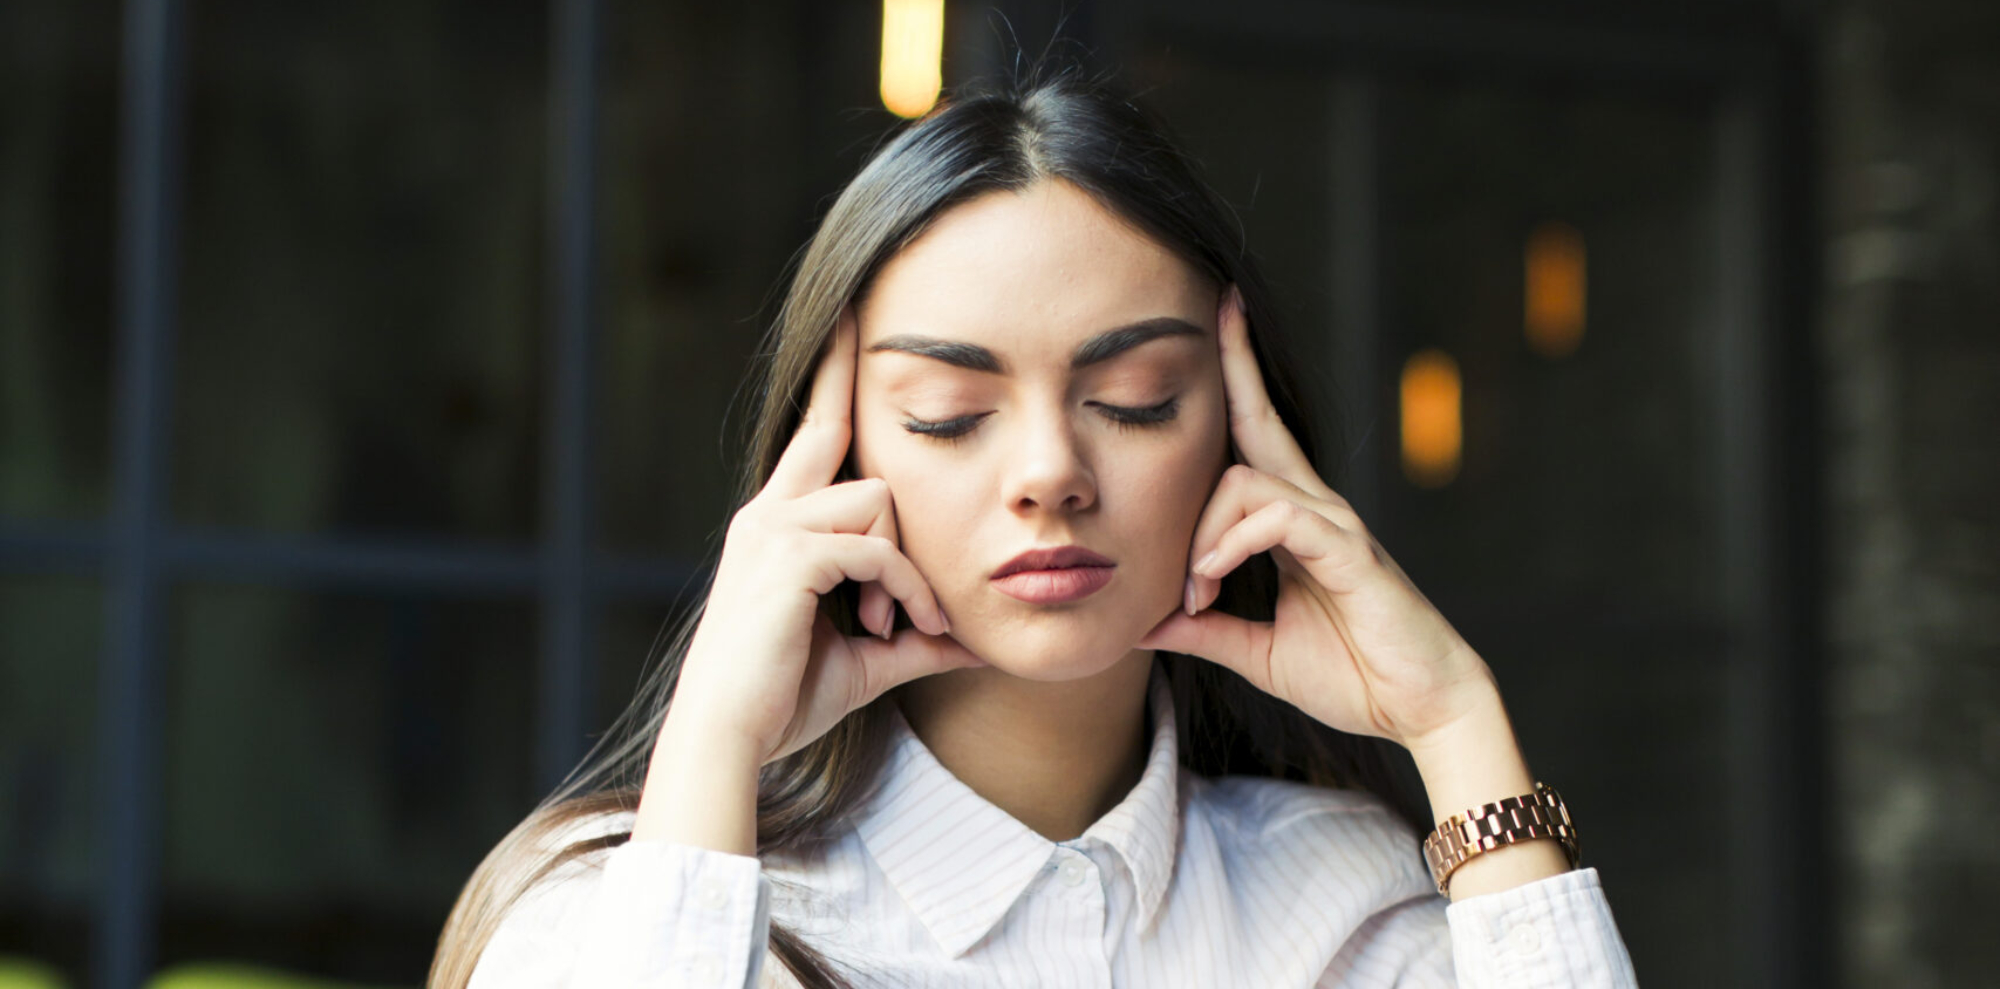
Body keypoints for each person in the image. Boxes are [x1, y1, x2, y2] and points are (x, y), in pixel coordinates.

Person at [427, 59, 1640, 988]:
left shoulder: (1349, 908)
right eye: (951, 414)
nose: (1051, 472)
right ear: (838, 454)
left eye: (1133, 400)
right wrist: (713, 750)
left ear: (1234, 429)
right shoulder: (615, 909)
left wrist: (1454, 719)